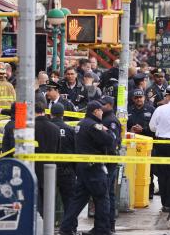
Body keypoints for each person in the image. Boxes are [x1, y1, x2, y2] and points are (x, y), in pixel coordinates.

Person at [59, 101, 115, 235]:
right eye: (100, 111)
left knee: (78, 200)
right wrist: (109, 132)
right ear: (95, 111)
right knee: (102, 198)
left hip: (82, 167)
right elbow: (109, 140)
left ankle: (66, 227)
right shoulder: (94, 125)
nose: (102, 113)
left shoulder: (80, 124)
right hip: (94, 168)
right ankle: (102, 229)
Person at [127, 89, 157, 197]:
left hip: (147, 145)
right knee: (133, 169)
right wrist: (130, 130)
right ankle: (133, 191)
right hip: (132, 144)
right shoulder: (128, 111)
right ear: (133, 99)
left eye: (141, 97)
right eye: (136, 97)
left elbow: (155, 128)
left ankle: (149, 192)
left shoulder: (151, 109)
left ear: (144, 98)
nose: (139, 99)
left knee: (149, 170)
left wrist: (143, 130)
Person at [34, 101, 60, 217]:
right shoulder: (55, 128)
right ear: (44, 112)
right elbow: (58, 150)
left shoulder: (29, 128)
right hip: (50, 168)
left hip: (33, 167)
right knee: (48, 200)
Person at [99, 96, 121, 233]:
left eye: (103, 105)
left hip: (109, 160)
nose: (101, 107)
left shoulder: (111, 120)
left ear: (110, 105)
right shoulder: (105, 119)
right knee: (108, 193)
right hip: (107, 160)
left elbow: (112, 142)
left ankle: (109, 224)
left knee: (107, 193)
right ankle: (108, 224)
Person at [50, 103, 76, 216]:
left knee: (47, 198)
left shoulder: (47, 128)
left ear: (50, 114)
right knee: (69, 200)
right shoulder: (70, 130)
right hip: (67, 170)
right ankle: (69, 226)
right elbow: (76, 150)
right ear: (63, 114)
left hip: (48, 169)